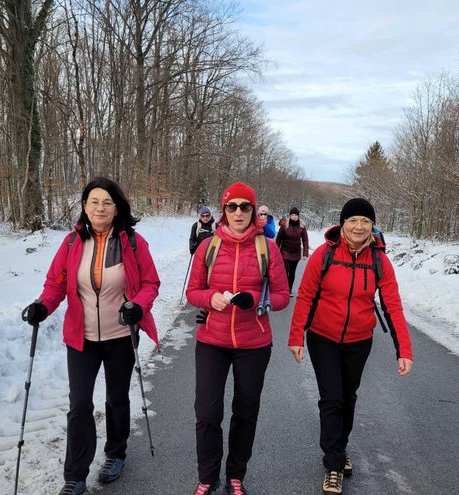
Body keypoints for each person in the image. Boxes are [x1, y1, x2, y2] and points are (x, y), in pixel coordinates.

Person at [22, 177, 161, 495]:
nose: (100, 208)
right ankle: (75, 475)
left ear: (117, 209)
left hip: (120, 335)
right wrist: (43, 306)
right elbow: (55, 283)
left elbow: (151, 283)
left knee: (116, 398)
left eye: (107, 203)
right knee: (80, 404)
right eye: (94, 202)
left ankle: (116, 454)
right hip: (81, 338)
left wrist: (138, 307)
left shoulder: (133, 243)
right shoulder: (72, 243)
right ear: (84, 206)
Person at [287, 198, 413, 495]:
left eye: (365, 221)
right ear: (342, 224)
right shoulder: (324, 254)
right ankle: (333, 465)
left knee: (348, 397)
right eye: (353, 220)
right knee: (332, 399)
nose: (359, 226)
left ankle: (339, 449)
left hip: (359, 340)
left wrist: (404, 349)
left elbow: (393, 306)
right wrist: (296, 336)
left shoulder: (380, 260)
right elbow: (305, 296)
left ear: (373, 226)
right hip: (323, 337)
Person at [186, 182, 290, 495]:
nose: (239, 213)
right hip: (212, 340)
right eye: (232, 207)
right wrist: (210, 298)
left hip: (253, 344)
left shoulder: (267, 247)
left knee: (245, 413)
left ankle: (235, 476)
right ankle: (207, 477)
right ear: (224, 211)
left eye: (246, 206)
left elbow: (283, 296)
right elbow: (192, 292)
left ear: (253, 211)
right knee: (207, 413)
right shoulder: (208, 246)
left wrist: (257, 301)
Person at [276, 207, 309, 295]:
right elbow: (279, 238)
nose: (294, 217)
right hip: (285, 251)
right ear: (290, 216)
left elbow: (305, 240)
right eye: (292, 215)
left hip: (296, 253)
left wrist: (305, 253)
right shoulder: (284, 225)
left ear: (298, 216)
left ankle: (289, 290)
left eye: (296, 215)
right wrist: (276, 250)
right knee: (286, 270)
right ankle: (284, 289)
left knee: (292, 272)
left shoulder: (302, 227)